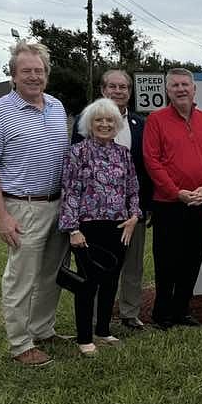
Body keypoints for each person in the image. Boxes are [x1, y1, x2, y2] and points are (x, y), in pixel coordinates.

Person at [0, 41, 70, 366]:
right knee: (21, 278)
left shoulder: (56, 107)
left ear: (46, 74)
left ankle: (43, 329)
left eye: (39, 71)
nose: (34, 76)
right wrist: (1, 216)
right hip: (23, 207)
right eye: (26, 71)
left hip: (58, 205)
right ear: (13, 75)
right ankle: (20, 345)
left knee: (51, 274)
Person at [60, 98, 141, 356]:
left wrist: (134, 216)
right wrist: (73, 229)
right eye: (99, 120)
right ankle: (84, 337)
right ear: (89, 124)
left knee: (110, 281)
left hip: (119, 226)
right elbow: (70, 192)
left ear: (117, 124)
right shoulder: (77, 152)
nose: (104, 124)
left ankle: (104, 330)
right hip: (87, 227)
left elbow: (133, 189)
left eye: (109, 120)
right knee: (87, 283)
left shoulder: (123, 154)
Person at [143, 68, 202, 329]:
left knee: (192, 258)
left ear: (194, 89)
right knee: (167, 261)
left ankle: (182, 310)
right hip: (169, 204)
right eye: (175, 85)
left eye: (185, 84)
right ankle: (162, 314)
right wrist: (176, 192)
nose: (180, 89)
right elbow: (151, 160)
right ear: (167, 91)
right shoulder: (156, 120)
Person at [72, 69, 152, 331]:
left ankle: (129, 312)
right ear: (103, 90)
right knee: (97, 267)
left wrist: (140, 208)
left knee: (132, 265)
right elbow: (74, 178)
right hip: (93, 216)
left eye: (124, 87)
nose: (119, 92)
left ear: (130, 92)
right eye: (113, 87)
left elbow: (143, 170)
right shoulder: (86, 121)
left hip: (131, 212)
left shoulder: (140, 125)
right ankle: (96, 319)